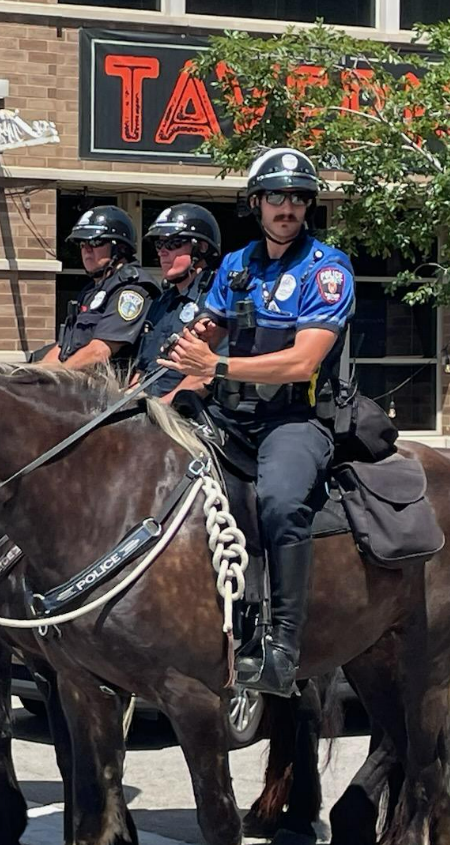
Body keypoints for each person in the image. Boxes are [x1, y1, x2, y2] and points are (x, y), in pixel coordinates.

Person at [167, 147, 355, 698]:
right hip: (229, 416)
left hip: (293, 420)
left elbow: (302, 362)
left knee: (279, 501)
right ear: (256, 203)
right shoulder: (236, 265)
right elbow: (208, 332)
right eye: (276, 196)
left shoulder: (327, 269)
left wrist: (216, 365)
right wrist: (178, 369)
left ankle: (283, 648)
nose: (287, 206)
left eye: (298, 197)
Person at [44, 205, 160, 371]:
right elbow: (62, 350)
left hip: (109, 390)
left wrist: (56, 378)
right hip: (75, 383)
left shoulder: (133, 289)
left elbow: (100, 352)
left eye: (95, 242)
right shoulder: (91, 291)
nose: (87, 250)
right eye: (82, 244)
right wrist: (32, 376)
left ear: (120, 248)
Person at [129, 204, 222, 403]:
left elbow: (207, 374)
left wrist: (162, 407)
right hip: (149, 407)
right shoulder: (160, 303)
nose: (162, 252)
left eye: (173, 244)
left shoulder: (218, 300)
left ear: (201, 248)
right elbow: (143, 368)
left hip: (190, 411)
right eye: (159, 245)